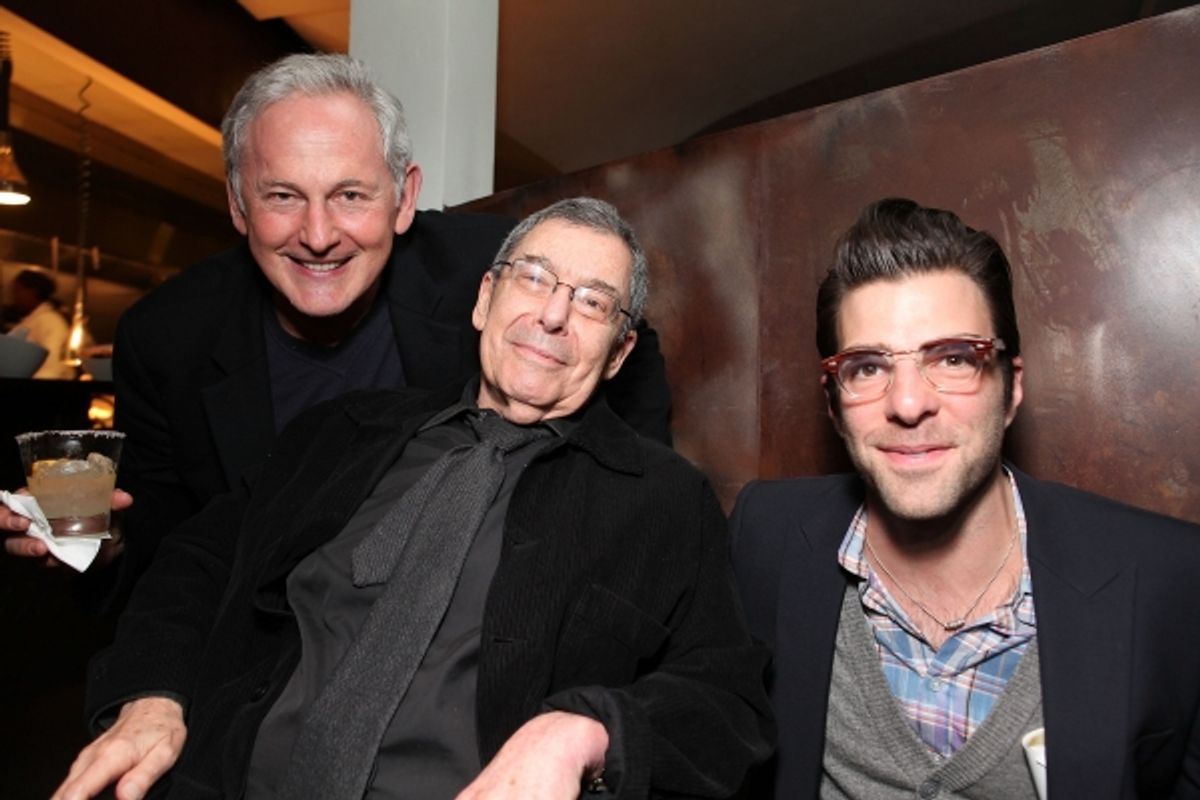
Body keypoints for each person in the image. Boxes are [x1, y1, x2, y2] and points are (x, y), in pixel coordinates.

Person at [52, 197, 772, 800]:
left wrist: (591, 729)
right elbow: (198, 560)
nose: (553, 315)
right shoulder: (339, 433)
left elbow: (726, 701)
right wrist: (154, 691)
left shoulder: (664, 500)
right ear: (486, 299)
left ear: (617, 354)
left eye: (593, 302)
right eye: (534, 278)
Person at [1, 54, 672, 596]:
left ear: (404, 198)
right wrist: (97, 543)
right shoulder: (168, 337)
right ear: (238, 205)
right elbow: (167, 539)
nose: (318, 235)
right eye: (282, 196)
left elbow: (620, 340)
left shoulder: (492, 272)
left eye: (350, 196)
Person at [730, 198, 1200, 798]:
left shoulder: (1169, 579)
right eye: (868, 367)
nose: (907, 404)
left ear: (1011, 388)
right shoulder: (764, 536)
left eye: (953, 358)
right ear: (834, 403)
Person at [6, 268, 72, 379]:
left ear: (33, 291)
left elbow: (52, 367)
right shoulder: (32, 320)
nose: (14, 296)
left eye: (18, 290)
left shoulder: (50, 321)